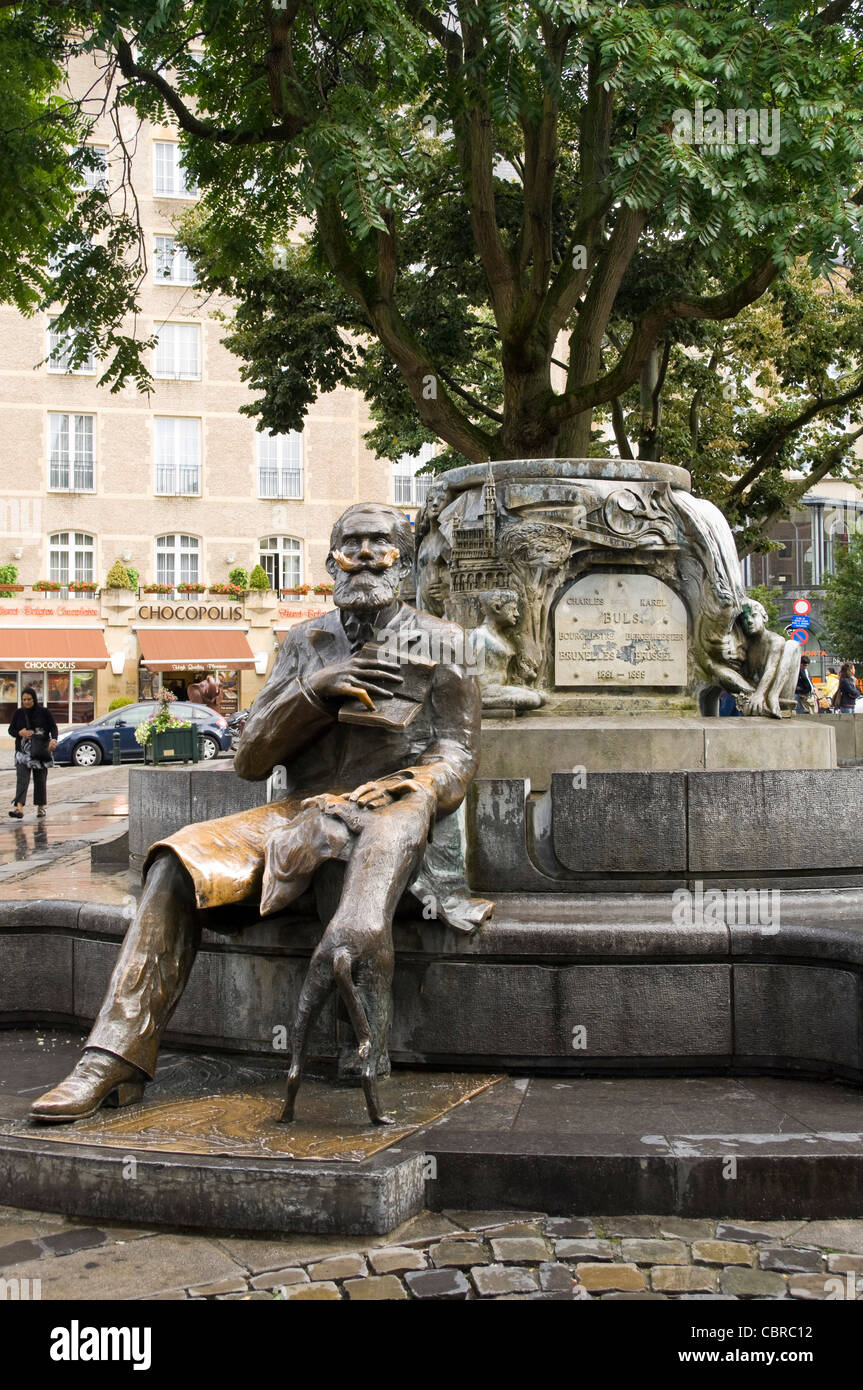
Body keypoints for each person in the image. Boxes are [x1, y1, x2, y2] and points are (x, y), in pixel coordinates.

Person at [30, 503, 491, 1123]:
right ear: (330, 562)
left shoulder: (445, 641)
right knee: (173, 861)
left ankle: (361, 1061)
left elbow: (458, 753)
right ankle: (112, 1058)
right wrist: (314, 692)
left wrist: (411, 787)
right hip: (295, 814)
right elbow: (249, 758)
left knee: (340, 855)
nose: (362, 555)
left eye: (379, 542)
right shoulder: (303, 641)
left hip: (392, 817)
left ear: (402, 561)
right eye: (349, 544)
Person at [7, 686, 58, 819]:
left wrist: (53, 740)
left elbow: (53, 726)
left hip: (40, 751)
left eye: (29, 699)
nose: (27, 702)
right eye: (24, 699)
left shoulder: (44, 712)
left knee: (40, 780)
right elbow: (11, 730)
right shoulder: (18, 713)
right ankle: (19, 808)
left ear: (34, 699)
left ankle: (40, 807)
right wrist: (20, 732)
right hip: (22, 753)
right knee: (22, 780)